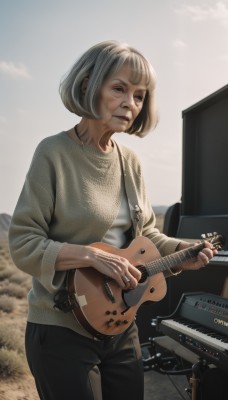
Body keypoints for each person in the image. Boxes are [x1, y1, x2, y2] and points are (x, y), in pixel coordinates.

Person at [8, 40, 217, 400]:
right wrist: (91, 256)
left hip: (121, 326)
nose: (130, 104)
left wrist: (182, 250)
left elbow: (145, 234)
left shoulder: (130, 161)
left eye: (139, 95)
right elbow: (23, 242)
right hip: (61, 331)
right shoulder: (53, 153)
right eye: (119, 88)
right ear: (89, 85)